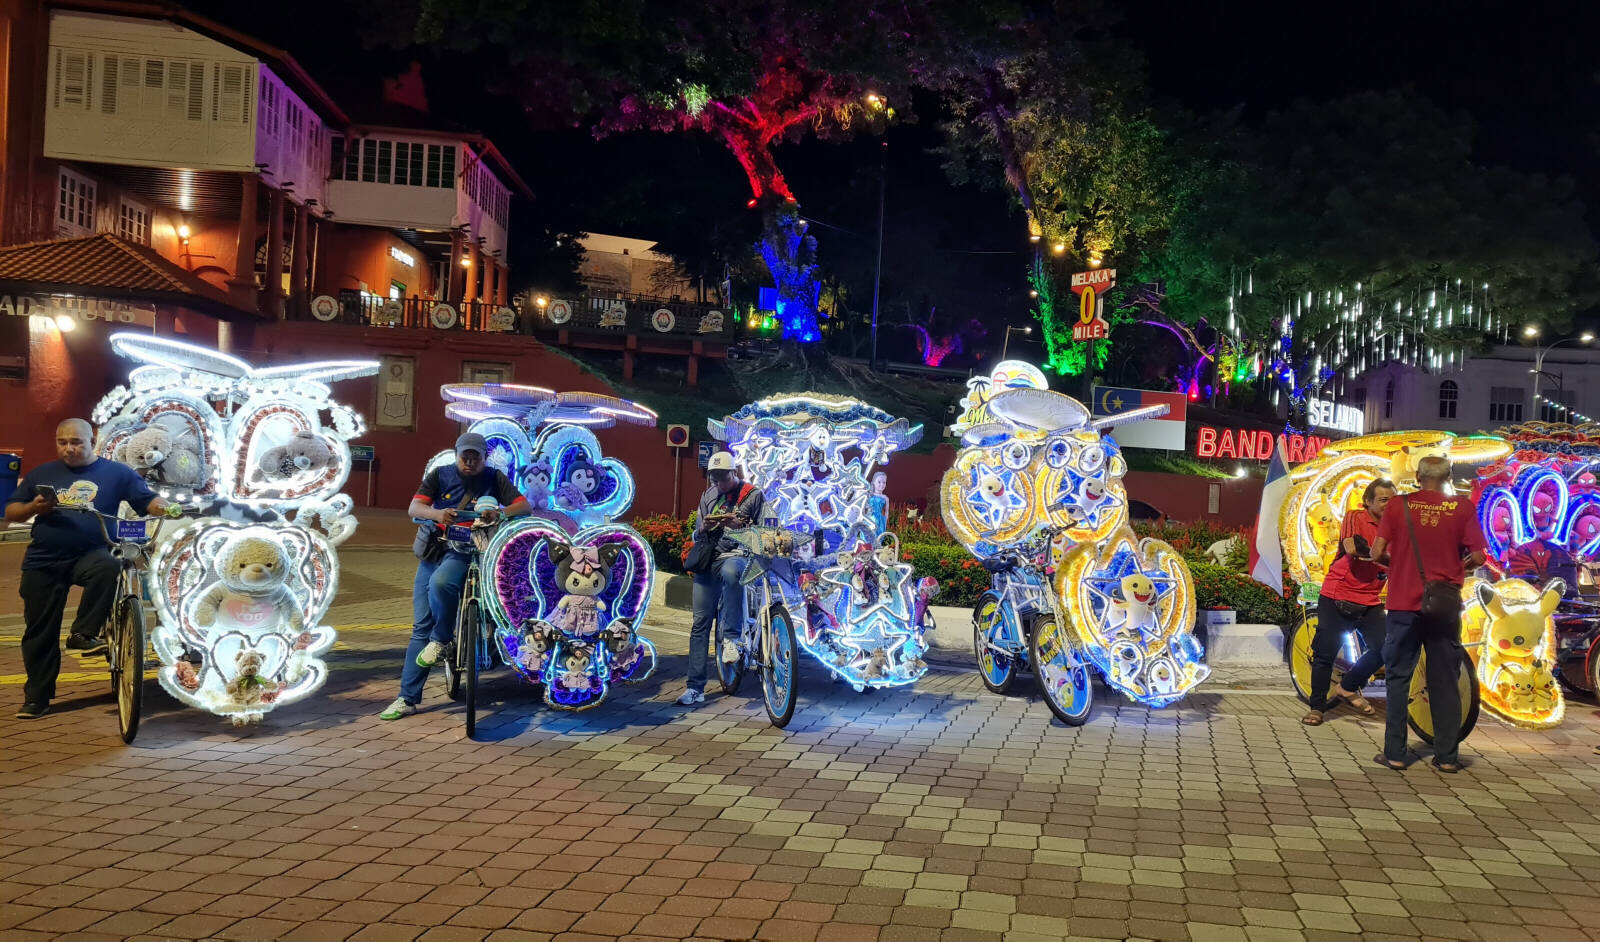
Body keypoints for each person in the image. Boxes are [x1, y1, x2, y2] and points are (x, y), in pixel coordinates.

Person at [4, 419, 178, 719]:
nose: (69, 448)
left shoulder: (116, 473)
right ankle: (37, 698)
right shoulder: (43, 473)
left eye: (76, 442)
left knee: (110, 564)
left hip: (91, 553)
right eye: (62, 442)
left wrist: (165, 507)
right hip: (43, 559)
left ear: (91, 439)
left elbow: (146, 499)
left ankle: (83, 632)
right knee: (39, 632)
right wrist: (34, 508)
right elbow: (11, 512)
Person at [379, 432, 530, 720]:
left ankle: (442, 638)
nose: (470, 462)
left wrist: (500, 513)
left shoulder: (494, 478)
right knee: (420, 626)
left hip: (464, 551)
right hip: (434, 551)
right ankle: (406, 698)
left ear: (484, 457)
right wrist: (438, 514)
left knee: (443, 583)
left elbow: (524, 506)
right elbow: (415, 507)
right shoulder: (440, 475)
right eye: (465, 456)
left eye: (476, 456)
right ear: (457, 454)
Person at [1368, 456, 1486, 773]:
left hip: (1404, 606)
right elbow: (1478, 556)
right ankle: (1447, 757)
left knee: (1398, 678)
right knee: (1445, 680)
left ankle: (1395, 753)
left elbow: (1375, 552)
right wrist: (1453, 571)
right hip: (1444, 606)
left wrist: (1401, 567)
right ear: (1448, 476)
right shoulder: (1462, 508)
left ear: (1418, 476)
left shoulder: (1397, 506)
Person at [1303, 478, 1396, 726]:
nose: (1389, 504)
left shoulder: (1399, 527)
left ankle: (1347, 686)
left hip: (1370, 598)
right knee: (1325, 653)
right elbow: (1351, 546)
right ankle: (1317, 707)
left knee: (1385, 648)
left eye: (1393, 500)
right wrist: (1385, 558)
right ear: (1368, 502)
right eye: (1383, 499)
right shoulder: (1356, 516)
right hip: (1337, 594)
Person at [680, 452, 764, 705]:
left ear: (734, 473)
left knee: (731, 572)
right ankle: (695, 687)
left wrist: (740, 526)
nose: (719, 483)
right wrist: (703, 528)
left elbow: (765, 530)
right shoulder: (708, 496)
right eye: (714, 478)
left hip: (736, 555)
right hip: (708, 559)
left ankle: (731, 638)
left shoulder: (752, 494)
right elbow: (695, 535)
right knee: (700, 623)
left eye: (723, 477)